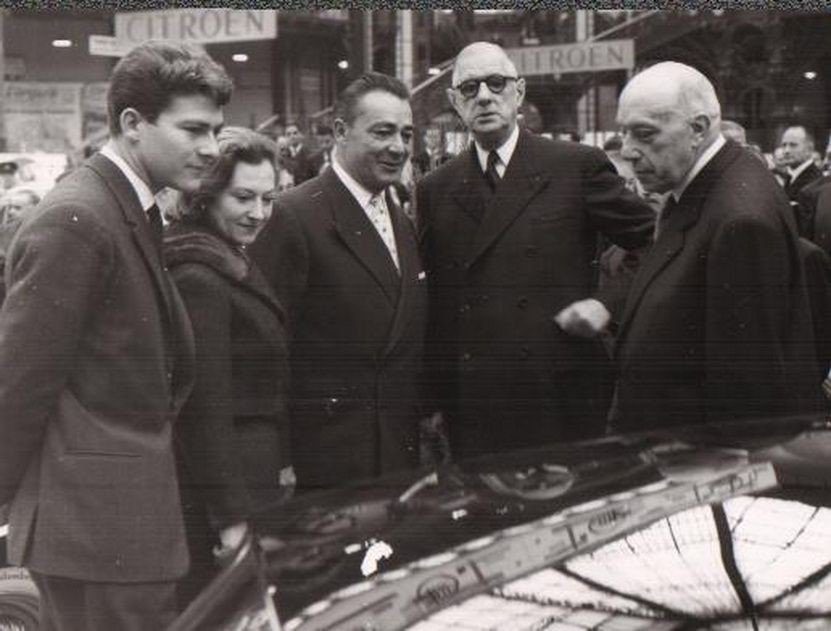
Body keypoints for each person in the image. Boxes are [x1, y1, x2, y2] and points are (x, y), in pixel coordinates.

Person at [0, 40, 231, 629]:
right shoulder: (76, 219)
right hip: (95, 536)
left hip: (115, 528)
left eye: (216, 131)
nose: (211, 149)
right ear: (132, 123)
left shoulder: (125, 208)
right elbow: (19, 385)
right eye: (194, 130)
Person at [416, 42, 655, 461]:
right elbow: (438, 304)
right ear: (455, 101)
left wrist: (607, 304)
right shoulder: (435, 188)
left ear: (519, 92)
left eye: (496, 84)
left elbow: (657, 240)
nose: (484, 97)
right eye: (470, 88)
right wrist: (435, 398)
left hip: (559, 395)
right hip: (475, 403)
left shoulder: (575, 165)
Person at [612, 61, 821, 434]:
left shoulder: (739, 220)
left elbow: (744, 396)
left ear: (698, 129)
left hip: (692, 461)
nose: (627, 152)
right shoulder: (713, 183)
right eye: (624, 133)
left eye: (644, 134)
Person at [250, 72, 427, 491]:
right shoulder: (293, 216)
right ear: (340, 132)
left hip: (394, 455)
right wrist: (281, 460)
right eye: (382, 132)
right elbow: (264, 351)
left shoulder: (398, 216)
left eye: (406, 134)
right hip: (326, 463)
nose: (398, 147)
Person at [163, 127, 292, 606]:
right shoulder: (199, 273)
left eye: (268, 198)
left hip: (244, 479)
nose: (259, 213)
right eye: (243, 197)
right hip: (225, 494)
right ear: (205, 195)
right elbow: (203, 410)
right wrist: (232, 520)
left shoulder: (220, 257)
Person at [779, 125, 823, 202]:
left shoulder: (815, 180)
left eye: (793, 145)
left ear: (809, 149)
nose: (786, 151)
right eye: (784, 145)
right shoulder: (790, 177)